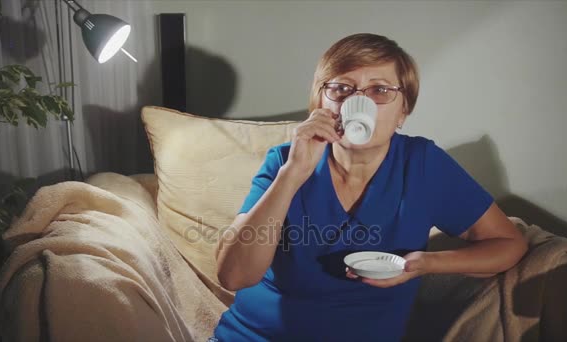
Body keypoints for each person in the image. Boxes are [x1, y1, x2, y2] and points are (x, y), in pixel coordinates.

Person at [213, 33, 528, 341]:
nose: (357, 102)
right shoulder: (284, 162)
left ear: (403, 111)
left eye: (379, 90)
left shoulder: (422, 164)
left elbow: (507, 243)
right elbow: (234, 276)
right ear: (318, 103)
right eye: (340, 88)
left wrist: (424, 264)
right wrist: (293, 174)